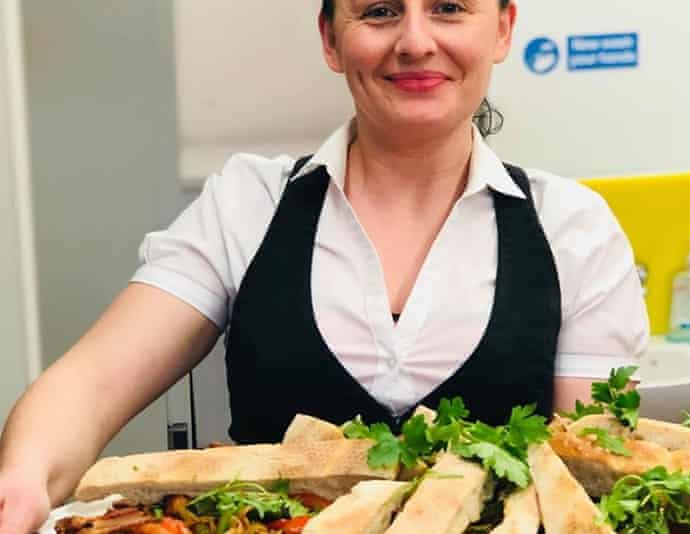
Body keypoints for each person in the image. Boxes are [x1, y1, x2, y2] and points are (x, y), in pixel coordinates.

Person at [0, 0, 649, 531]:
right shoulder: (248, 205)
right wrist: (22, 479)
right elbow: (92, 383)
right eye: (379, 12)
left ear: (503, 29)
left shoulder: (574, 231)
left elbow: (591, 475)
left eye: (449, 9)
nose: (415, 40)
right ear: (331, 40)